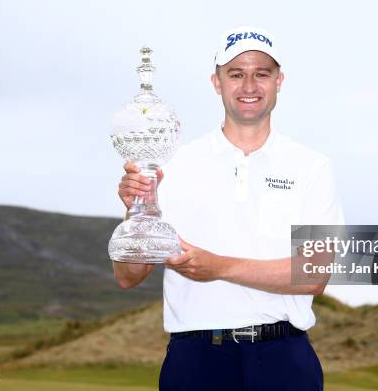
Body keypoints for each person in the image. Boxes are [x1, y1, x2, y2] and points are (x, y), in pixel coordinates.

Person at [113, 26, 344, 391]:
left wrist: (218, 267)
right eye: (235, 74)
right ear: (216, 82)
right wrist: (135, 214)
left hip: (283, 359)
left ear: (279, 80)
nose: (249, 86)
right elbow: (128, 276)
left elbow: (314, 274)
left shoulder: (312, 166)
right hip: (196, 361)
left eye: (261, 74)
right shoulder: (173, 163)